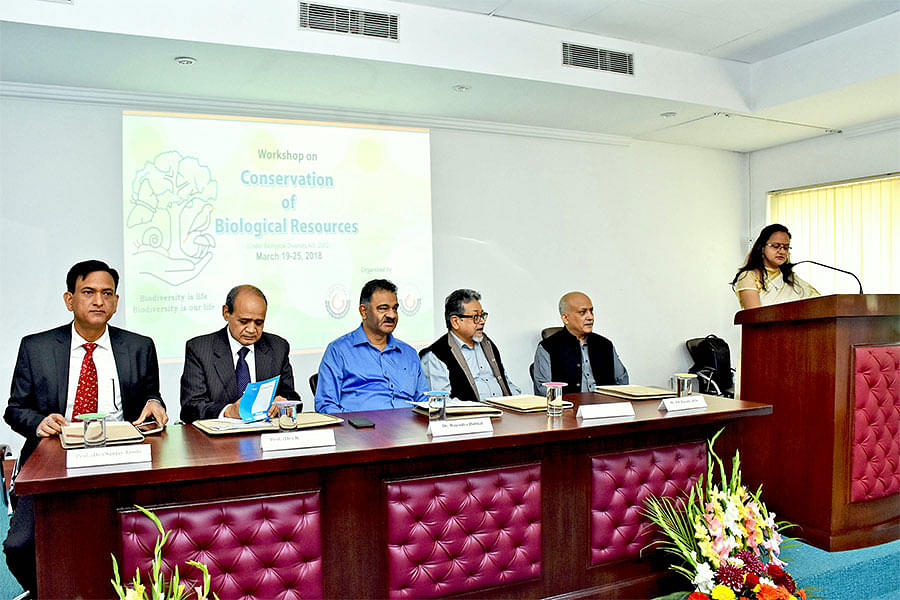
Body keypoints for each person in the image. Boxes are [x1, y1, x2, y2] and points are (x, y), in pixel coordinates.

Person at [4, 260, 168, 597]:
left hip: (119, 456)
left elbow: (151, 396)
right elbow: (15, 410)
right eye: (88, 292)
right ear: (69, 299)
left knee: (142, 537)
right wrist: (39, 423)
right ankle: (45, 591)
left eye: (107, 294)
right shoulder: (37, 348)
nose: (98, 301)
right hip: (55, 456)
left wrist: (155, 403)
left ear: (116, 302)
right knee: (20, 546)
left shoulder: (139, 346)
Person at [180, 285, 301, 423]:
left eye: (259, 323)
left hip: (265, 431)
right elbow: (190, 409)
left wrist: (284, 403)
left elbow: (294, 399)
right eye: (244, 321)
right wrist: (228, 411)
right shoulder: (200, 349)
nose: (251, 330)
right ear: (226, 313)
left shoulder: (278, 347)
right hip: (220, 434)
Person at [315, 279, 428, 413]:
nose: (392, 315)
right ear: (364, 311)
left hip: (409, 424)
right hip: (360, 425)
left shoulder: (409, 353)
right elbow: (326, 405)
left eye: (395, 309)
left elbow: (424, 401)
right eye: (383, 308)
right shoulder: (338, 351)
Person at [420, 289, 520, 401]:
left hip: (503, 409)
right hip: (471, 412)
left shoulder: (487, 344)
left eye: (482, 315)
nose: (482, 321)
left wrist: (521, 402)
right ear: (455, 321)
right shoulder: (436, 355)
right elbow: (442, 401)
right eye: (475, 317)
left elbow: (506, 382)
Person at [533, 292, 628, 395]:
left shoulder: (605, 345)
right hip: (568, 405)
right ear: (565, 318)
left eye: (591, 311)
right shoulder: (547, 347)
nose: (590, 317)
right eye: (583, 312)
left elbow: (622, 381)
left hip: (605, 403)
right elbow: (544, 390)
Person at [731, 223, 820, 309]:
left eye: (786, 247)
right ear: (762, 247)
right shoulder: (749, 277)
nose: (782, 251)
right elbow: (755, 316)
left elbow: (819, 303)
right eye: (776, 246)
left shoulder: (792, 279)